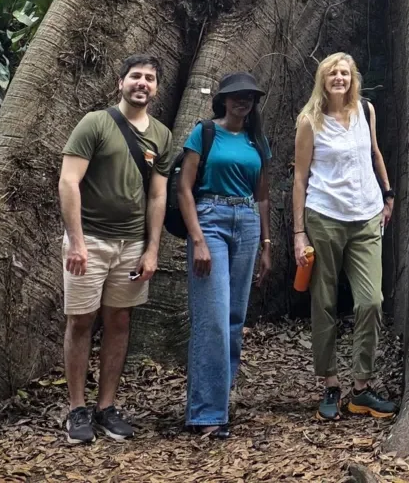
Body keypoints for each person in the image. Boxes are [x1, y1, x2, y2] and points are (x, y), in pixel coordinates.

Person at [57, 53, 174, 444]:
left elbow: (157, 196)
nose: (142, 83)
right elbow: (69, 181)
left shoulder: (161, 135)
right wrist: (76, 242)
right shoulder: (95, 123)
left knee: (119, 321)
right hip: (89, 241)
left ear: (156, 88)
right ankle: (77, 409)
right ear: (120, 82)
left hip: (131, 245)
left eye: (150, 79)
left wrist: (152, 250)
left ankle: (106, 407)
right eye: (135, 76)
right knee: (81, 321)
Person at [292, 52, 399, 422]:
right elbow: (300, 178)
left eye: (345, 73)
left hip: (366, 216)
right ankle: (330, 383)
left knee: (371, 301)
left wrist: (388, 193)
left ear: (353, 78)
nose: (339, 78)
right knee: (324, 301)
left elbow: (375, 153)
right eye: (332, 73)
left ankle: (361, 387)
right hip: (324, 216)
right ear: (323, 80)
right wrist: (298, 233)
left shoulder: (365, 110)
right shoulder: (310, 120)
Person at [178, 72, 273, 438]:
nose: (242, 100)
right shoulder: (204, 133)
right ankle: (206, 414)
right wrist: (198, 239)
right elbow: (184, 189)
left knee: (234, 318)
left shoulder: (257, 140)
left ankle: (218, 401)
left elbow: (262, 196)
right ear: (223, 100)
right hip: (210, 219)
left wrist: (267, 244)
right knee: (213, 318)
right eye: (236, 95)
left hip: (247, 222)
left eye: (249, 96)